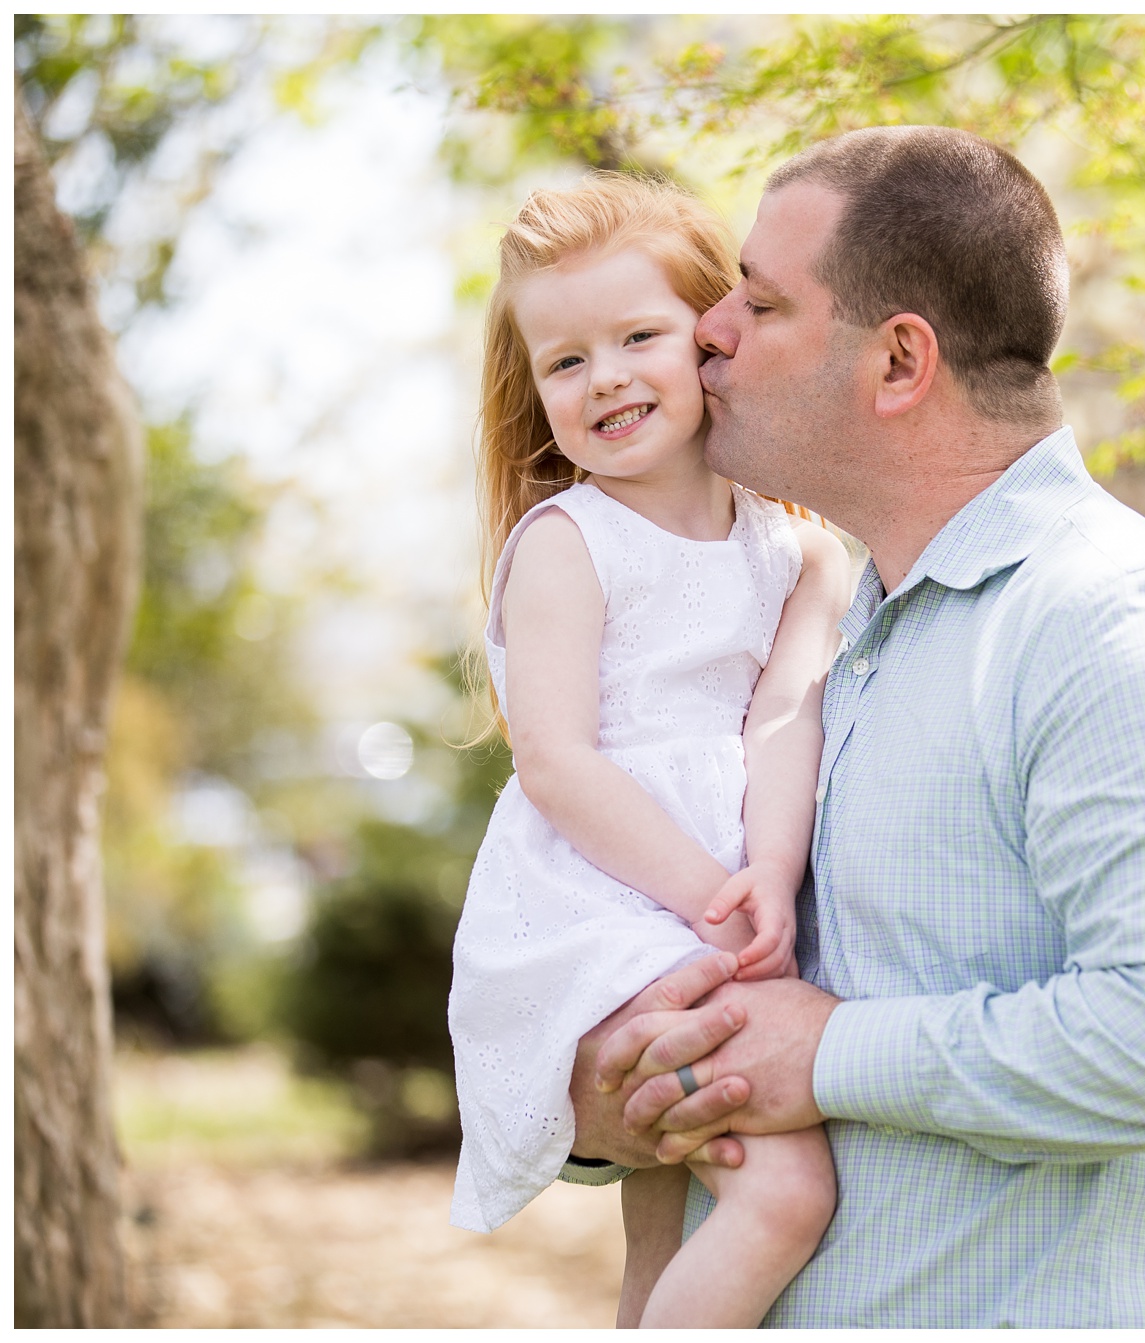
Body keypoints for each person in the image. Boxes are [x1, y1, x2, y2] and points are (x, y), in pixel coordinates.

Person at [571, 127, 1145, 1327]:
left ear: (897, 362)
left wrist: (826, 1056)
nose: (704, 329)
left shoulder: (1114, 634)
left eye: (758, 303)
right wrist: (617, 1100)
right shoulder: (836, 633)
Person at [445, 172, 851, 1328]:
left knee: (670, 1235)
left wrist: (765, 875)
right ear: (532, 388)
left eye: (638, 335)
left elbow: (783, 720)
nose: (606, 375)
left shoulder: (796, 553)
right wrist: (707, 894)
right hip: (600, 901)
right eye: (565, 359)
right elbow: (558, 764)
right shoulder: (568, 544)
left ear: (711, 337)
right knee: (780, 1187)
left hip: (729, 895)